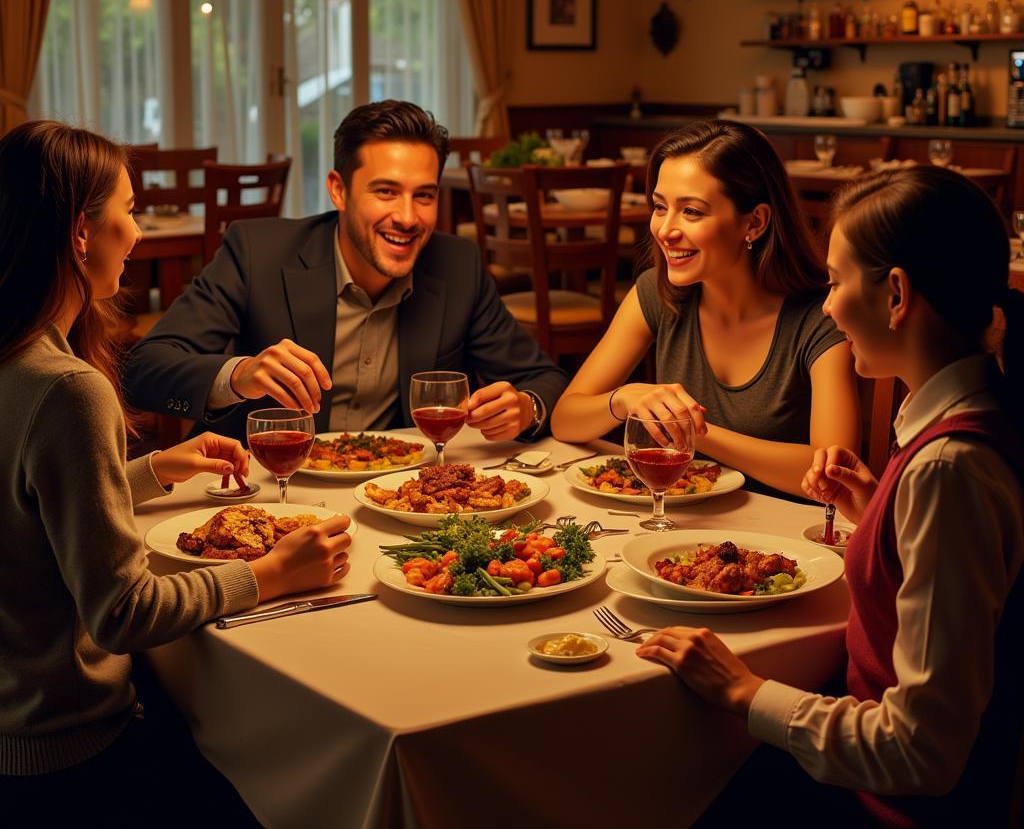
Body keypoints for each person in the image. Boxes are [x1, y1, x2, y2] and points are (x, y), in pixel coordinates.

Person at [636, 166, 1023, 826]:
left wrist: (746, 690)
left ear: (896, 294)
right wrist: (877, 514)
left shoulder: (949, 472)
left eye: (837, 282)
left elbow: (920, 753)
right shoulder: (955, 433)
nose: (825, 305)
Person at [0, 121, 352, 824]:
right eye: (128, 211)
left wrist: (151, 469)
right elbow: (123, 611)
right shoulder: (67, 389)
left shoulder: (15, 360)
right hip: (74, 757)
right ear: (80, 233)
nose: (137, 233)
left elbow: (26, 513)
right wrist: (274, 574)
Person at [125, 100, 567, 443]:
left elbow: (545, 379)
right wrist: (239, 375)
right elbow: (144, 370)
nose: (408, 217)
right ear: (339, 190)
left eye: (424, 196)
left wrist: (527, 408)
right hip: (263, 490)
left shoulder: (458, 266)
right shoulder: (257, 252)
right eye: (386, 191)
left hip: (397, 495)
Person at [550, 120, 859, 499]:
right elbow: (565, 420)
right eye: (660, 207)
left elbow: (832, 474)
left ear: (755, 222)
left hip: (783, 539)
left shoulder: (820, 315)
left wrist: (694, 432)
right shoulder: (657, 292)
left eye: (692, 212)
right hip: (681, 526)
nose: (665, 229)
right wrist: (623, 398)